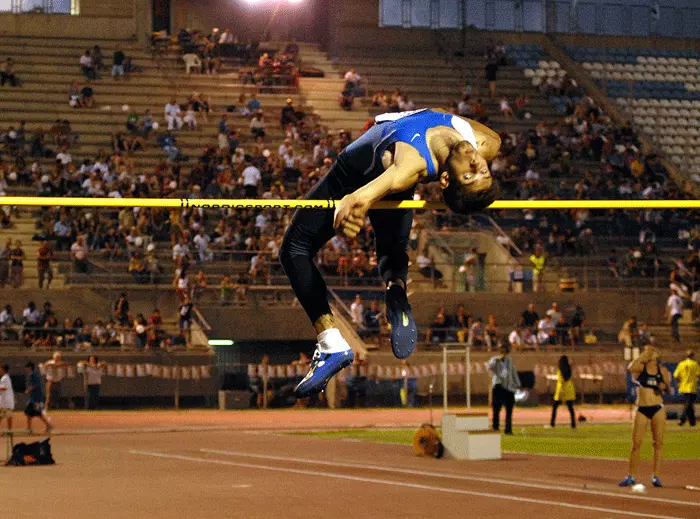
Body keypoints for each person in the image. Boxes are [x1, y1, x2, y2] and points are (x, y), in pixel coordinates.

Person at [280, 109, 501, 397]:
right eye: (481, 170)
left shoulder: (413, 163)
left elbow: (384, 183)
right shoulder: (485, 143)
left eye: (469, 174)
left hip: (353, 176)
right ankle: (396, 288)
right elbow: (480, 138)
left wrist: (355, 203)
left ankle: (331, 342)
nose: (475, 162)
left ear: (445, 180)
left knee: (293, 249)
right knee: (392, 242)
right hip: (391, 173)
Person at [619, 345, 671, 488]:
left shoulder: (663, 370)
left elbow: (668, 387)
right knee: (636, 443)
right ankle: (631, 476)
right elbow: (631, 368)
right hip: (641, 408)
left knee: (658, 443)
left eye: (651, 351)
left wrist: (664, 387)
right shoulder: (641, 368)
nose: (649, 352)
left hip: (657, 408)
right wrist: (642, 355)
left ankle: (656, 476)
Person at [487, 344, 520, 434]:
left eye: (505, 352)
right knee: (496, 409)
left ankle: (508, 429)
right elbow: (489, 367)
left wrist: (517, 384)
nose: (504, 354)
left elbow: (513, 372)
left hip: (508, 388)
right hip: (498, 386)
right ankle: (495, 427)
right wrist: (497, 361)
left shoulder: (509, 361)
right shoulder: (495, 360)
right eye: (502, 352)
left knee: (509, 409)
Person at [24, 361, 53, 433]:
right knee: (36, 413)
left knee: (29, 412)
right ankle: (48, 425)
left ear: (29, 368)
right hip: (36, 398)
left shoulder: (32, 375)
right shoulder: (36, 374)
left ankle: (29, 429)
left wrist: (28, 390)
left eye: (26, 368)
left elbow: (35, 385)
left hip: (34, 399)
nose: (25, 369)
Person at [674, 349, 699, 427]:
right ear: (692, 356)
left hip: (683, 387)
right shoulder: (695, 364)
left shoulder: (681, 364)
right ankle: (682, 419)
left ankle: (692, 422)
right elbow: (698, 374)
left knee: (689, 404)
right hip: (692, 387)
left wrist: (678, 383)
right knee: (689, 404)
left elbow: (675, 375)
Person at [551, 355, 576, 428]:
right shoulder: (569, 369)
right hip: (569, 390)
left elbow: (561, 380)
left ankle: (552, 423)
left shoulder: (560, 369)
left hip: (561, 390)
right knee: (570, 408)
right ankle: (573, 424)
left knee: (555, 407)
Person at [0, 364, 14, 431]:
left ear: (3, 369)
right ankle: (9, 430)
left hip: (5, 401)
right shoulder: (6, 377)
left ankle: (9, 430)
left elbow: (3, 388)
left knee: (5, 416)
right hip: (6, 401)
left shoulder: (4, 378)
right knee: (8, 416)